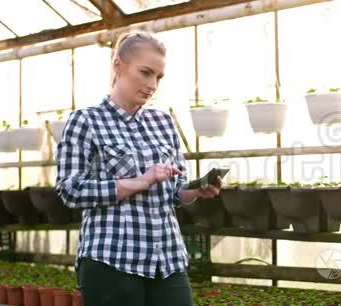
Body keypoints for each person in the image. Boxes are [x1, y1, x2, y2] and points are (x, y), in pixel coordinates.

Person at [55, 31, 222, 306]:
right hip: (111, 260)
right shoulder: (85, 121)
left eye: (158, 77)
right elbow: (70, 190)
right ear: (118, 66)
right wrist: (139, 182)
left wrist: (196, 190)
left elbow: (174, 193)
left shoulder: (163, 122)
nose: (152, 84)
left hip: (166, 258)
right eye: (145, 72)